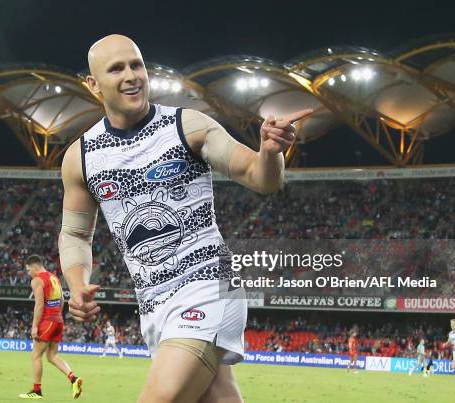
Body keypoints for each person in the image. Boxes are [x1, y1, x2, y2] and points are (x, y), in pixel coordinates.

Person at [59, 33, 312, 402]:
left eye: (136, 65)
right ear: (93, 84)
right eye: (117, 69)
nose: (131, 75)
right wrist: (76, 282)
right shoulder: (80, 157)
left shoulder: (187, 127)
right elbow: (75, 235)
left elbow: (261, 178)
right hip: (153, 303)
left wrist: (270, 152)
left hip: (208, 283)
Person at [19, 255, 82, 400]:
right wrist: (57, 317)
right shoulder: (54, 278)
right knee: (52, 356)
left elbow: (39, 305)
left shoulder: (37, 280)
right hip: (58, 320)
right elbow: (62, 300)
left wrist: (35, 326)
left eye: (29, 270)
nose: (28, 273)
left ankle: (37, 391)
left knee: (35, 355)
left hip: (47, 321)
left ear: (35, 267)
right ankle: (73, 378)